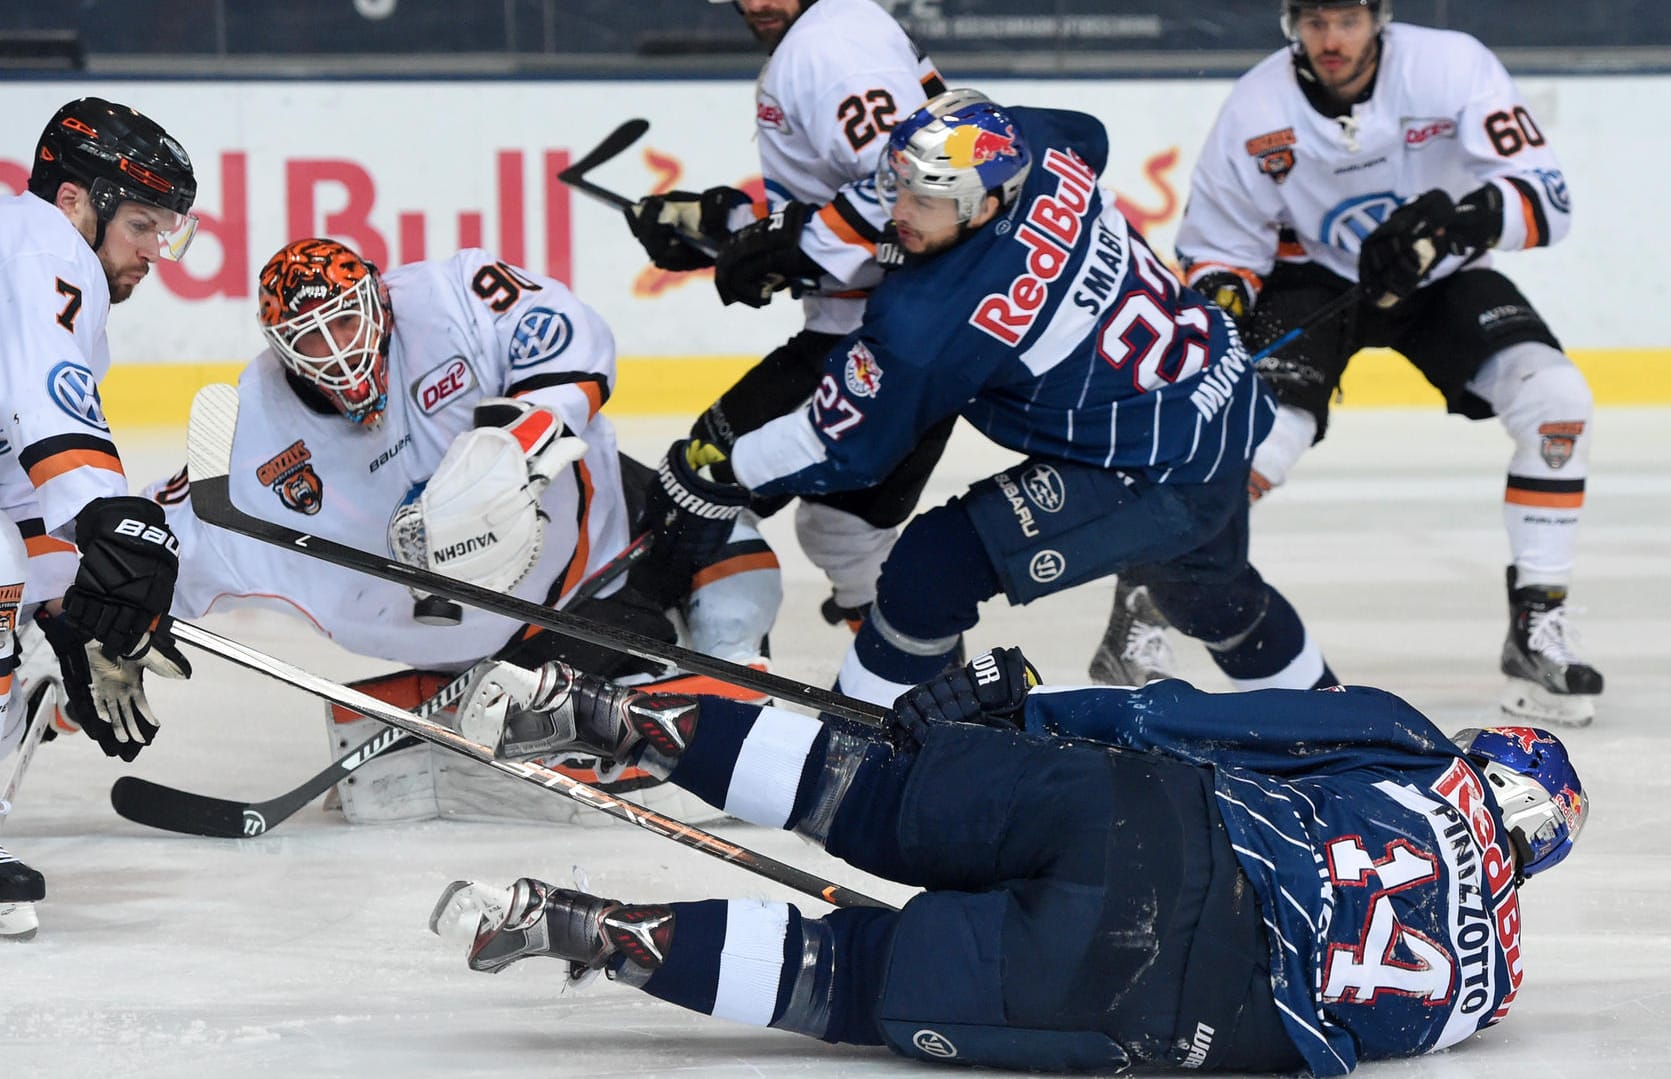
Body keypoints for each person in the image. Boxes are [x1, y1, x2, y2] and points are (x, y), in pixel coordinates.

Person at [432, 646, 1588, 1075]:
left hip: (1150, 816)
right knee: (851, 979)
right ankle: (577, 928)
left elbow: (1193, 719)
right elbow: (1318, 1046)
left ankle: (591, 709)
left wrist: (1023, 714)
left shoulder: (1417, 751)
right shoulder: (1489, 989)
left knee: (865, 785)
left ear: (1489, 757)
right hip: (1158, 994)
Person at [647, 89, 1335, 705]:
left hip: (1155, 468)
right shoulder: (1035, 145)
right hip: (1223, 397)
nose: (901, 210)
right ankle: (1337, 728)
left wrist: (720, 469)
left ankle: (840, 752)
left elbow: (843, 447)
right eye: (900, 185)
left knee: (931, 568)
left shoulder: (929, 324)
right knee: (1209, 595)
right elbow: (1088, 132)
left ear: (988, 203)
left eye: (926, 198)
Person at [147, 237, 781, 823]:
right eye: (311, 339)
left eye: (345, 321)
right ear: (278, 347)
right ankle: (541, 720)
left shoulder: (449, 296)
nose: (338, 350)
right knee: (712, 706)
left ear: (378, 297)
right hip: (513, 627)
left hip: (599, 511)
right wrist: (94, 623)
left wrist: (517, 446)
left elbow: (561, 335)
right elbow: (151, 543)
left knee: (738, 552)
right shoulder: (255, 433)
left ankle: (515, 717)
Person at [1097, 0, 1602, 723]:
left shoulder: (1451, 66)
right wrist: (1225, 311)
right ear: (1291, 23)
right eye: (1315, 22)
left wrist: (1461, 219)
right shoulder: (1256, 107)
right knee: (1261, 441)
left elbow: (1549, 198)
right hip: (1309, 282)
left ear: (1379, 17)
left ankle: (1536, 624)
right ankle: (1145, 601)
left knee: (1558, 399)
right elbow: (1219, 247)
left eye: (1347, 20)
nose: (1331, 40)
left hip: (1438, 271)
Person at [0, 97, 198, 939]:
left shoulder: (26, 271)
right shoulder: (34, 245)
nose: (155, 250)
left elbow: (5, 474)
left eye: (168, 230)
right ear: (77, 202)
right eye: (142, 223)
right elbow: (55, 443)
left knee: (4, 607)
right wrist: (112, 523)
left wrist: (69, 606)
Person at [625, 0, 951, 629]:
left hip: (877, 342)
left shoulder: (827, 48)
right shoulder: (843, 26)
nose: (757, 3)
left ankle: (663, 683)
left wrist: (787, 247)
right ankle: (936, 704)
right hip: (922, 335)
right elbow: (865, 199)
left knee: (693, 487)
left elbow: (921, 188)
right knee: (846, 538)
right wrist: (719, 228)